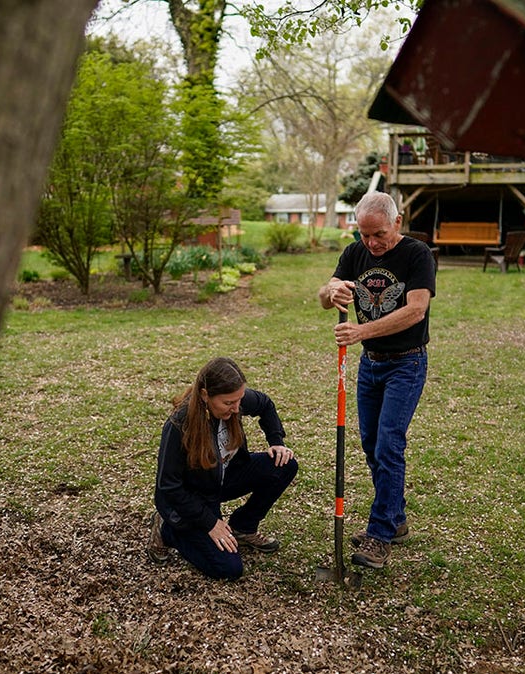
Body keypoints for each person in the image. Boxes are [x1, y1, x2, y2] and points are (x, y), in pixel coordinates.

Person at [317, 191, 436, 570]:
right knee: (371, 445)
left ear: (397, 223)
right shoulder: (356, 253)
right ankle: (396, 519)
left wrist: (362, 331)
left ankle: (380, 534)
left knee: (388, 444)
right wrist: (330, 291)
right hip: (371, 365)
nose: (371, 243)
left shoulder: (418, 254)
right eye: (364, 235)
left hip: (406, 363)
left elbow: (416, 311)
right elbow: (325, 295)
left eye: (379, 234)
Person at [149, 357, 299, 580]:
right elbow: (168, 487)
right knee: (228, 568)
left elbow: (265, 404)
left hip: (223, 479)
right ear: (204, 395)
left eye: (239, 400)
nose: (237, 408)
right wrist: (210, 523)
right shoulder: (179, 425)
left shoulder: (234, 401)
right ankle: (167, 530)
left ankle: (243, 527)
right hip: (192, 498)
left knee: (283, 465)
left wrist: (276, 441)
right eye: (229, 403)